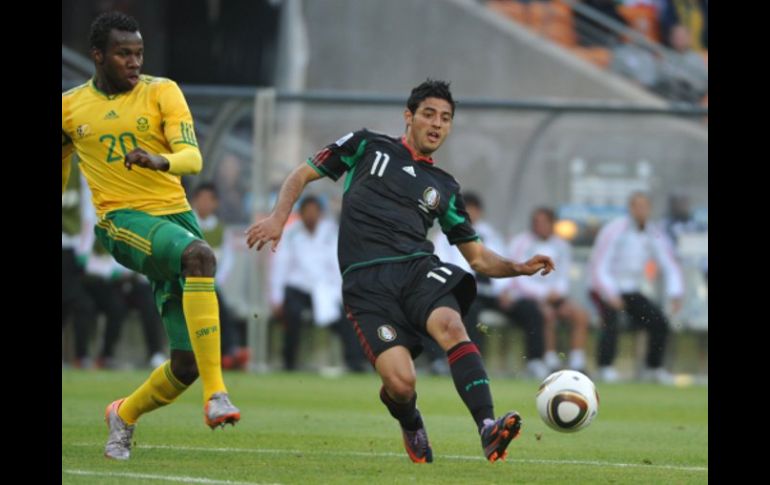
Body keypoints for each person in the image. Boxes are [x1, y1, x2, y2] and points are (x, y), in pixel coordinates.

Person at [246, 80, 555, 463]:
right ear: (409, 116)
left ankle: (488, 427)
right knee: (402, 384)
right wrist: (278, 218)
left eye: (445, 118)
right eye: (429, 114)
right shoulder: (366, 144)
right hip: (365, 285)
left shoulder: (445, 187)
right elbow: (302, 174)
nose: (437, 123)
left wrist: (518, 267)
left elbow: (476, 258)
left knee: (451, 325)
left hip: (416, 270)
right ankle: (409, 420)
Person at [61, 12, 240, 460]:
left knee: (185, 364)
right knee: (201, 257)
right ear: (97, 56)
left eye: (139, 53)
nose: (134, 62)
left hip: (176, 220)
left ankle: (123, 415)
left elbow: (192, 158)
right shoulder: (69, 108)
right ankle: (217, 395)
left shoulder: (163, 91)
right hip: (122, 222)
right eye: (123, 53)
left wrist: (162, 161)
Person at [588, 192, 684, 383]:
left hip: (631, 290)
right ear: (630, 208)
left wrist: (675, 293)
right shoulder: (614, 230)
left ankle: (653, 368)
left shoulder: (654, 233)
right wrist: (610, 294)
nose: (641, 211)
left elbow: (669, 264)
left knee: (658, 321)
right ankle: (605, 367)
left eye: (645, 207)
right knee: (611, 318)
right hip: (603, 288)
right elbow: (599, 265)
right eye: (637, 206)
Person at [269, 195, 366, 372]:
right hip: (298, 289)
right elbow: (280, 266)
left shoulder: (330, 232)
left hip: (325, 289)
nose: (311, 215)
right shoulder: (290, 234)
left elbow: (336, 265)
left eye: (314, 211)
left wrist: (341, 293)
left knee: (346, 320)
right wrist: (276, 297)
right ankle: (289, 363)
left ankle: (355, 362)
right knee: (293, 315)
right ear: (300, 213)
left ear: (320, 213)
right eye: (307, 211)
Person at [505, 208, 590, 374]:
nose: (540, 226)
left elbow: (564, 275)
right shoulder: (521, 242)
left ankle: (577, 361)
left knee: (579, 314)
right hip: (527, 296)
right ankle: (550, 359)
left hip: (555, 295)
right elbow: (516, 275)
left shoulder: (562, 246)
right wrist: (543, 294)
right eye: (536, 222)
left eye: (544, 222)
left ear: (552, 224)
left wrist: (557, 294)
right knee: (546, 314)